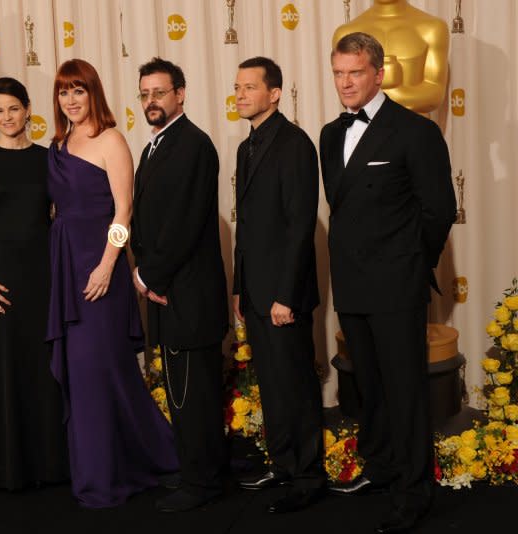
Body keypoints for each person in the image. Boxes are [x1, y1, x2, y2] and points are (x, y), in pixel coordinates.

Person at [320, 33, 456, 533]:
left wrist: (410, 265)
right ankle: (379, 470)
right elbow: (344, 207)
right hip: (351, 285)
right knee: (369, 389)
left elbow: (439, 209)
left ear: (379, 74)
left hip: (397, 287)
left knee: (405, 393)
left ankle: (414, 491)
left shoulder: (415, 132)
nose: (346, 83)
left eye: (355, 72)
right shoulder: (330, 135)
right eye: (338, 73)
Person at [46, 58, 177, 508]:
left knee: (102, 372)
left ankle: (119, 468)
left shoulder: (111, 140)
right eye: (64, 92)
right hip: (67, 269)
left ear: (93, 93)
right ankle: (94, 471)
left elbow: (124, 211)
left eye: (78, 91)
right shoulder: (57, 144)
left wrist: (107, 264)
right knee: (82, 378)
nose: (71, 100)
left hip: (102, 271)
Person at [0, 78, 68, 490]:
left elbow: (65, 216)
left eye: (13, 109)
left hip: (44, 281)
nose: (6, 117)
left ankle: (53, 465)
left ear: (28, 110)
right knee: (6, 371)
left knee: (46, 371)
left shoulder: (49, 158)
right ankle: (11, 470)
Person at [131, 57, 228, 513]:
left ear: (180, 94)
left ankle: (203, 482)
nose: (152, 100)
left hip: (187, 294)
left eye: (160, 93)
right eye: (145, 94)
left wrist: (149, 275)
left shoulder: (192, 145)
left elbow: (184, 223)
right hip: (167, 291)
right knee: (179, 389)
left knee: (195, 392)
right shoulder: (155, 147)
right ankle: (195, 470)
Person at [231, 57, 326, 513]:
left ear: (274, 93)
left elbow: (300, 225)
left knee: (296, 385)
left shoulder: (296, 144)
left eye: (250, 87)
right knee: (270, 384)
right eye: (237, 87)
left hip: (283, 294)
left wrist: (285, 295)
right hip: (254, 291)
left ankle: (309, 475)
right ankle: (284, 463)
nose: (241, 94)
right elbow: (245, 226)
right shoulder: (245, 146)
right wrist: (238, 285)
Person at [332, 0, 449, 114]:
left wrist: (394, 91)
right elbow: (347, 95)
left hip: (414, 131)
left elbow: (435, 94)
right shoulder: (345, 32)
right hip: (363, 130)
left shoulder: (432, 28)